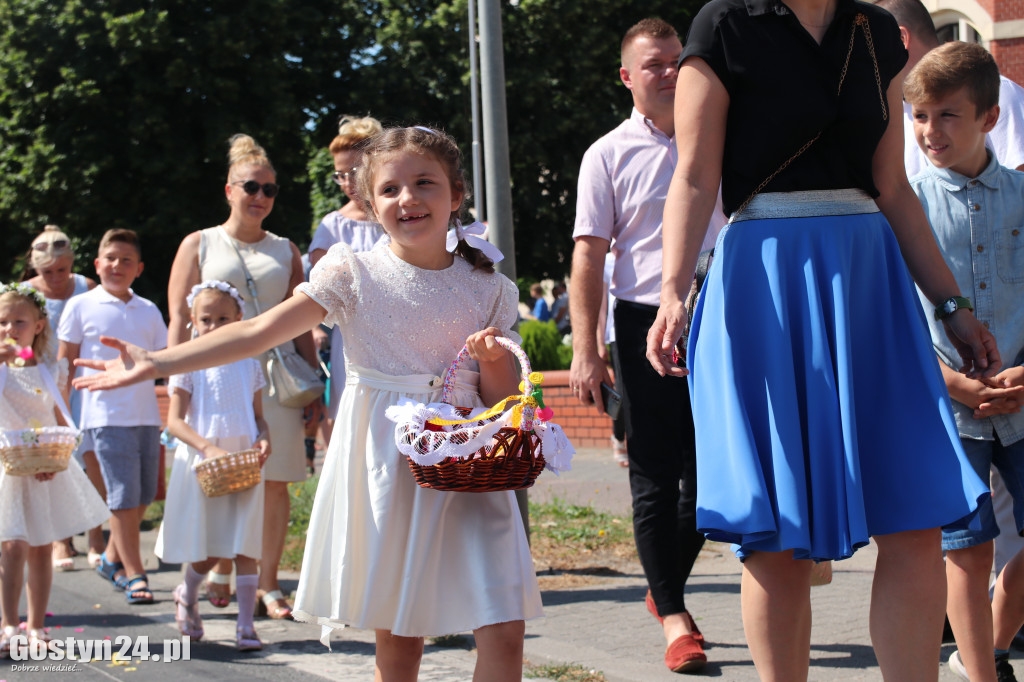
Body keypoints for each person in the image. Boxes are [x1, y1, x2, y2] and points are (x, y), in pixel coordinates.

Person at [75, 126, 541, 682]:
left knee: (505, 626)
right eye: (390, 189)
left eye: (425, 183)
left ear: (456, 194)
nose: (408, 199)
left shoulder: (488, 285)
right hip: (391, 466)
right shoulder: (354, 270)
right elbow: (257, 332)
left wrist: (491, 361)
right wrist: (157, 362)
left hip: (469, 468)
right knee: (400, 640)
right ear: (369, 202)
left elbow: (503, 398)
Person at [644, 0, 1002, 678]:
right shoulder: (723, 26)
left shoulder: (872, 31)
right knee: (776, 537)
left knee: (916, 517)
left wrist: (951, 303)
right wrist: (671, 291)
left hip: (870, 281)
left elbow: (894, 188)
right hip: (765, 284)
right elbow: (694, 176)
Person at [568, 17, 724, 673]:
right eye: (651, 64)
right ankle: (676, 616)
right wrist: (586, 348)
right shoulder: (606, 154)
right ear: (627, 78)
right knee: (657, 473)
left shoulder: (723, 133)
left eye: (674, 60)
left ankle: (664, 591)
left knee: (712, 473)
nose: (666, 72)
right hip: (641, 323)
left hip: (722, 310)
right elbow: (588, 255)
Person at [904, 41, 1024, 682]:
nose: (929, 131)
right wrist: (947, 379)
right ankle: (982, 676)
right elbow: (897, 314)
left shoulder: (1023, 198)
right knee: (968, 551)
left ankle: (994, 647)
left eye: (947, 115)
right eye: (919, 116)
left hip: (1023, 401)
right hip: (947, 407)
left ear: (990, 117)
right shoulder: (907, 208)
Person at [165, 133, 319, 618]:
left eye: (270, 189)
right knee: (224, 478)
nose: (260, 197)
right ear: (229, 189)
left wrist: (314, 384)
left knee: (274, 482)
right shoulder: (199, 243)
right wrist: (172, 374)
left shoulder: (286, 250)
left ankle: (268, 583)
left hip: (274, 377)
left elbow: (303, 322)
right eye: (251, 186)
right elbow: (177, 317)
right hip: (213, 379)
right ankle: (222, 565)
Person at [155, 281, 271, 651]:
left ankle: (246, 626)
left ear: (239, 319)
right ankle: (187, 592)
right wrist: (207, 448)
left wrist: (265, 437)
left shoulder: (251, 365)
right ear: (193, 321)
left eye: (224, 318)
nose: (215, 327)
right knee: (212, 546)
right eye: (206, 319)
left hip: (245, 461)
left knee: (245, 543)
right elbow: (174, 421)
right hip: (206, 460)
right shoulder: (188, 363)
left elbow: (259, 417)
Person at [58, 228, 167, 604]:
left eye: (126, 260)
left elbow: (162, 361)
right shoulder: (80, 305)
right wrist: (61, 414)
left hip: (146, 415)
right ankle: (135, 574)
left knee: (144, 495)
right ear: (97, 264)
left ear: (138, 268)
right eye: (111, 258)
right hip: (103, 415)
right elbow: (65, 363)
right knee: (121, 497)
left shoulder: (149, 309)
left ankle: (109, 558)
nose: (117, 266)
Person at [0, 283, 109, 657]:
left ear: (39, 326)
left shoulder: (49, 370)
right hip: (6, 468)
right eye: (2, 322)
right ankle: (9, 623)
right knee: (12, 545)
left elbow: (63, 419)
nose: (10, 329)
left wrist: (56, 457)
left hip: (42, 467)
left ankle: (37, 625)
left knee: (41, 546)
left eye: (19, 321)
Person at [22, 225, 103, 571]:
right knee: (53, 459)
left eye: (62, 270)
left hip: (82, 381)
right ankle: (60, 540)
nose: (55, 277)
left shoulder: (87, 287)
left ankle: (97, 538)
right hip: (39, 387)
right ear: (35, 269)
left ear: (72, 264)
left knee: (90, 457)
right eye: (47, 272)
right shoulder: (24, 293)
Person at [875, 0, 1024, 176]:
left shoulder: (999, 93)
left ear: (901, 39)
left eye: (869, 48)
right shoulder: (889, 111)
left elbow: (1018, 182)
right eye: (921, 116)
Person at [309, 115, 385, 432]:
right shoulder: (332, 225)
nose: (346, 183)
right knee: (354, 423)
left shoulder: (401, 213)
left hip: (405, 331)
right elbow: (316, 290)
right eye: (339, 175)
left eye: (353, 172)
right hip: (351, 340)